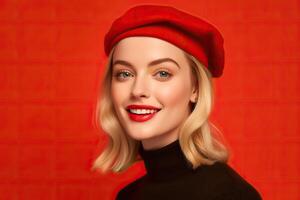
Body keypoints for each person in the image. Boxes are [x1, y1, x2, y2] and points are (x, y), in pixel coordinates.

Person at [92, 4, 263, 200]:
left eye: (162, 73)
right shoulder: (128, 196)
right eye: (125, 74)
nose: (138, 90)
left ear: (195, 88)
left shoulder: (228, 195)